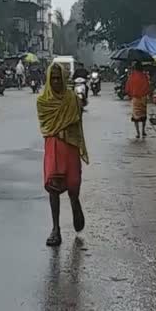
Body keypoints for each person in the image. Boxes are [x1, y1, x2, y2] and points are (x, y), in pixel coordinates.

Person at [37, 63, 89, 247]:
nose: (57, 82)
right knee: (53, 185)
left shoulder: (73, 99)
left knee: (73, 184)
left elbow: (77, 124)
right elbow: (46, 126)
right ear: (49, 80)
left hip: (70, 146)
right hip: (53, 147)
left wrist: (67, 133)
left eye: (59, 78)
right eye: (53, 79)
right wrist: (59, 132)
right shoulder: (43, 101)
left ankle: (75, 204)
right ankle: (55, 229)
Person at [125, 61, 151, 138]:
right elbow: (147, 86)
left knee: (135, 116)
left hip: (135, 98)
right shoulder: (144, 76)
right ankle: (143, 131)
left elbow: (128, 86)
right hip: (143, 98)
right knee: (143, 115)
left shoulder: (132, 76)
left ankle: (138, 133)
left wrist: (129, 94)